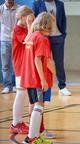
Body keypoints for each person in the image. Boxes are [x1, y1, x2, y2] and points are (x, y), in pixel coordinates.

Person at [21, 12, 55, 144]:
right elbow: (39, 60)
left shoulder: (31, 36)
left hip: (29, 77)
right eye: (51, 23)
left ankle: (34, 135)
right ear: (46, 24)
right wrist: (43, 79)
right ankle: (31, 138)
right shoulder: (42, 39)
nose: (52, 26)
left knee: (34, 104)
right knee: (39, 106)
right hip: (37, 78)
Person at [32, 0, 71, 96]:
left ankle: (62, 87)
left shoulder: (60, 4)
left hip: (58, 37)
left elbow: (63, 20)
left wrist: (63, 35)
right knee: (44, 61)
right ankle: (43, 84)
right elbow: (34, 20)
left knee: (59, 63)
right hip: (43, 37)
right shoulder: (37, 4)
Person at [9, 5, 34, 135]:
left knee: (23, 93)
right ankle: (15, 123)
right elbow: (28, 40)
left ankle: (18, 122)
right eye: (29, 18)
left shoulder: (23, 28)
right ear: (23, 17)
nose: (31, 20)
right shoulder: (17, 29)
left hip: (26, 64)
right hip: (20, 65)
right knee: (21, 93)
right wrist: (30, 24)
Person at [0, 0, 18, 94]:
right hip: (4, 40)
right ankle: (7, 85)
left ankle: (15, 85)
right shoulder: (1, 8)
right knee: (5, 65)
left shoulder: (19, 8)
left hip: (16, 40)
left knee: (15, 64)